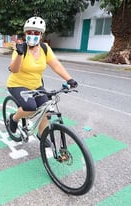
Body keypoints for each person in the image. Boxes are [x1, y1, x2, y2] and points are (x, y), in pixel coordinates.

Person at [7, 16, 78, 146]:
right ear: (25, 33)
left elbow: (56, 65)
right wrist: (19, 54)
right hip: (17, 85)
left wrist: (69, 79)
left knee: (47, 108)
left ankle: (42, 134)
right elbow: (14, 69)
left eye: (36, 33)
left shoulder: (45, 48)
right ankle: (14, 118)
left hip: (36, 85)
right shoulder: (21, 48)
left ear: (41, 35)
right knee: (30, 108)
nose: (32, 35)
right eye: (29, 32)